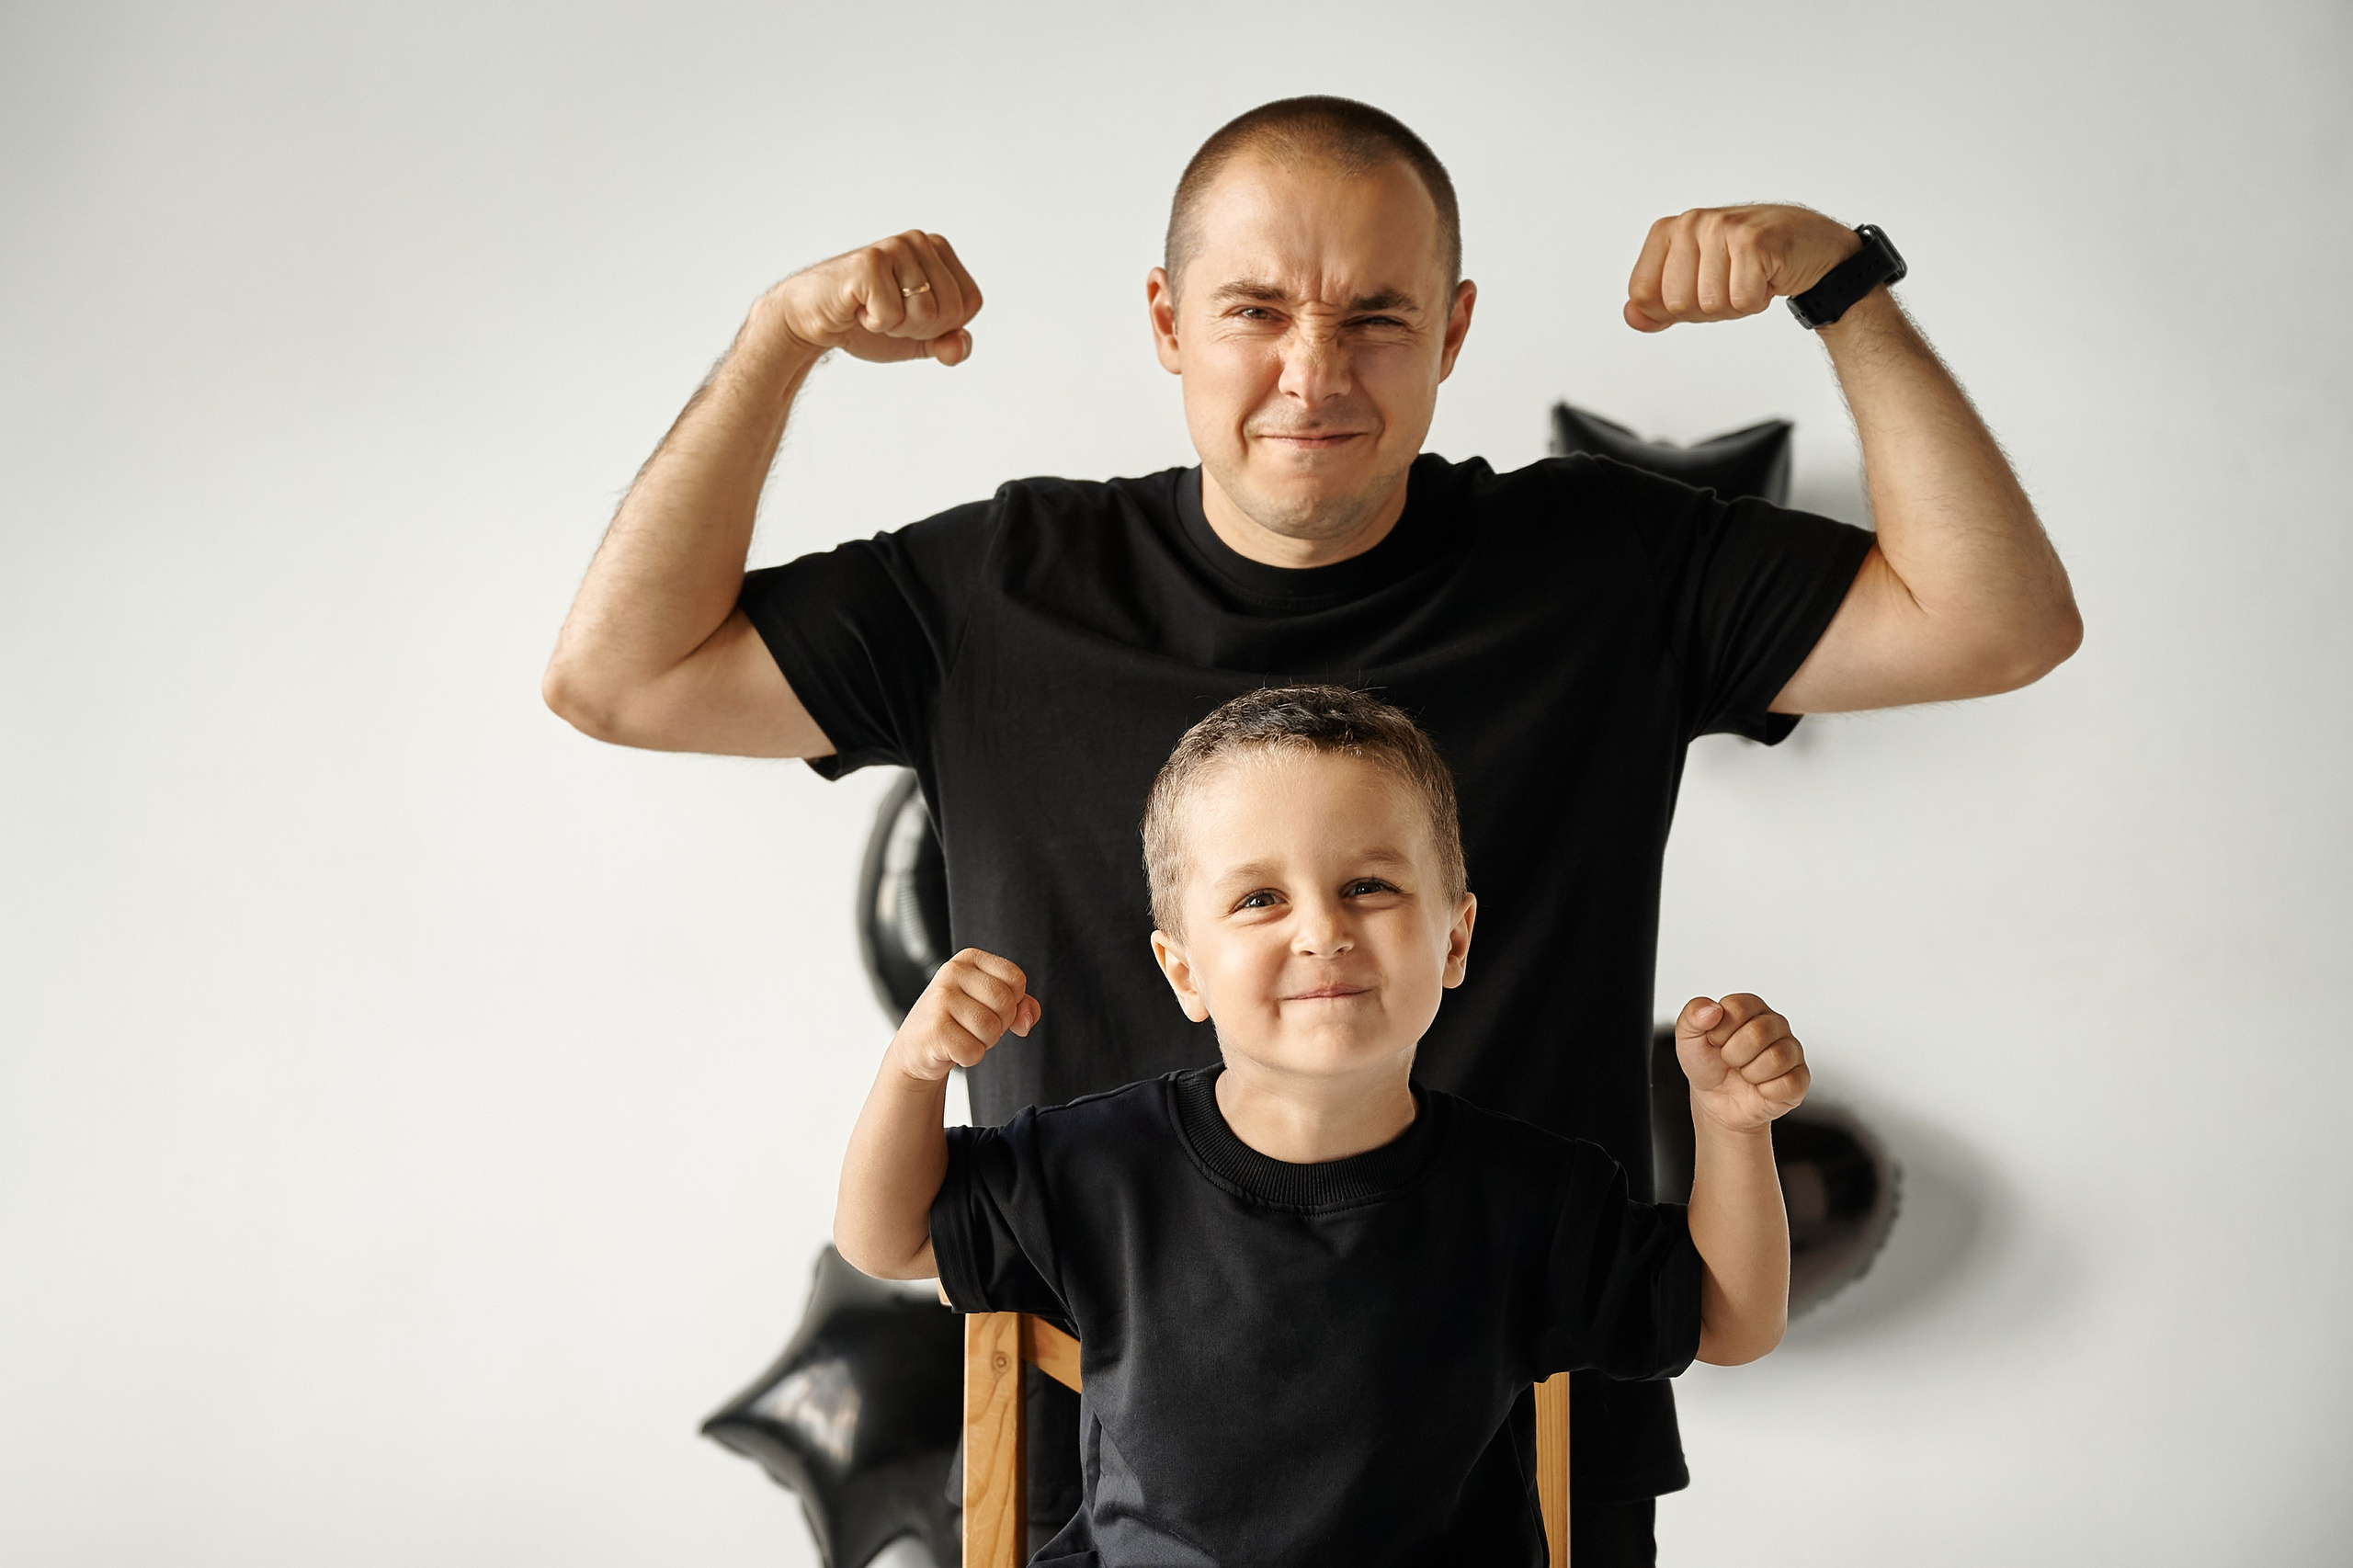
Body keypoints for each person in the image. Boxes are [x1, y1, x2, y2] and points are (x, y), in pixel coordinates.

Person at [542, 96, 2079, 1562]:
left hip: (1523, 1431)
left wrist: (1842, 286)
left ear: (1453, 331)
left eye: (1375, 317)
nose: (1312, 369)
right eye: (1258, 309)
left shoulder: (1608, 569)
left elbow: (1997, 625)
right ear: (1165, 322)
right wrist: (779, 341)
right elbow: (617, 678)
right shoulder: (998, 591)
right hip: (1113, 1445)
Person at [834, 686, 1813, 1566]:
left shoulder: (1528, 1194)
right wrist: (913, 1069)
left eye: (1369, 886)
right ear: (1184, 970)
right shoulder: (1095, 1165)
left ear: (1455, 936)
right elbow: (888, 1235)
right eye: (1260, 897)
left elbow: (1729, 1319)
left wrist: (1732, 1125)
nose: (1321, 930)